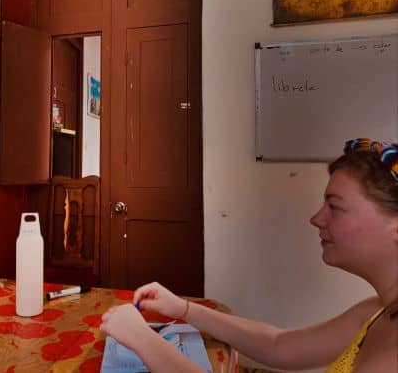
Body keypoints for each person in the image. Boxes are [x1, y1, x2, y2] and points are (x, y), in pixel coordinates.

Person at [101, 138, 398, 373]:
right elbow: (280, 345)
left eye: (335, 206)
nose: (316, 218)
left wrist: (142, 339)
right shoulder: (375, 312)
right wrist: (184, 309)